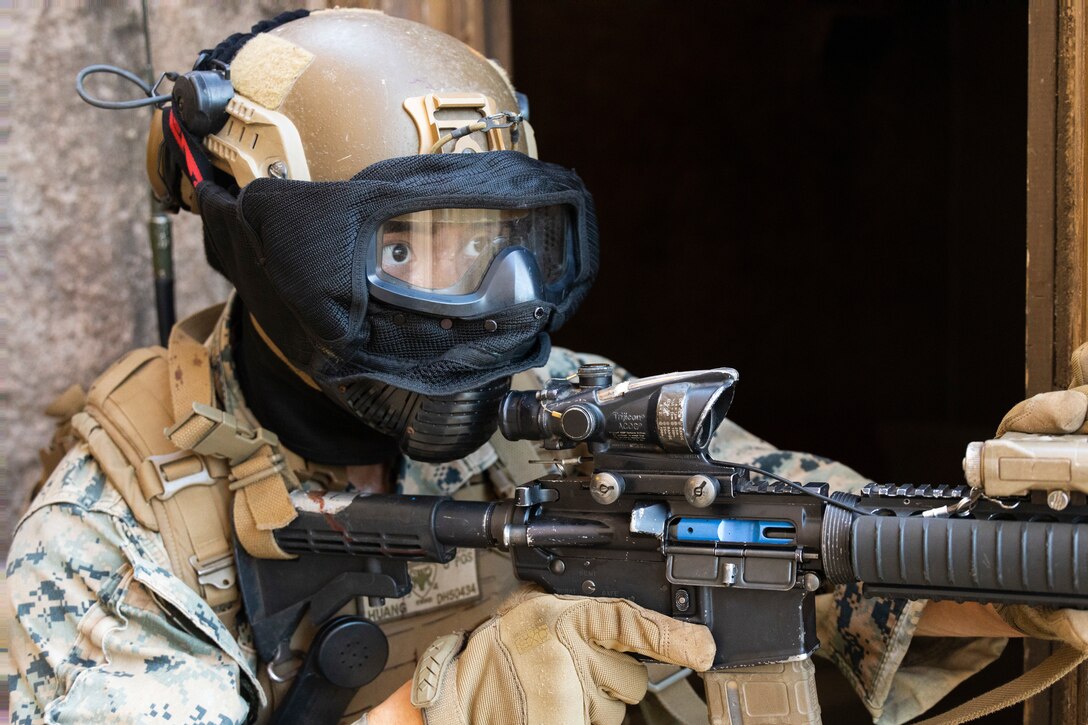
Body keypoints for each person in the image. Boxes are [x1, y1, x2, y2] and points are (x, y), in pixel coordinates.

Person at [7, 9, 1087, 725]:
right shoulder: (113, 535)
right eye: (404, 249)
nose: (482, 303)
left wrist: (1017, 566)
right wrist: (437, 712)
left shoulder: (556, 407)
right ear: (271, 247)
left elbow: (808, 540)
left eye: (492, 245)